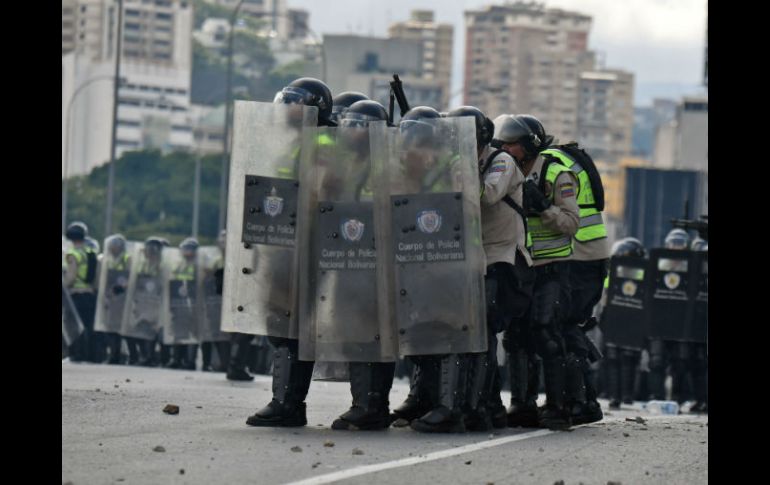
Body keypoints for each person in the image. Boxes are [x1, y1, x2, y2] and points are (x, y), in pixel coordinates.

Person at [64, 222, 99, 363]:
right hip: (90, 294)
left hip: (76, 294)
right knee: (88, 326)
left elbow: (71, 277)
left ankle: (76, 355)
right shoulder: (90, 253)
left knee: (74, 326)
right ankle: (90, 356)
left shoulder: (73, 254)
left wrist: (64, 285)